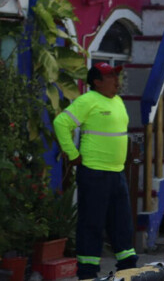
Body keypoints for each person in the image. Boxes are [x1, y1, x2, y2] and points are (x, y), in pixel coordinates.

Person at [53, 63, 137, 280]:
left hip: (117, 173)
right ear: (97, 82)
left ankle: (128, 269)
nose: (116, 80)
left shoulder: (118, 101)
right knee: (92, 224)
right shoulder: (87, 100)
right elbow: (61, 123)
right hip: (94, 173)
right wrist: (72, 154)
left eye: (116, 76)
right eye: (111, 77)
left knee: (122, 225)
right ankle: (88, 274)